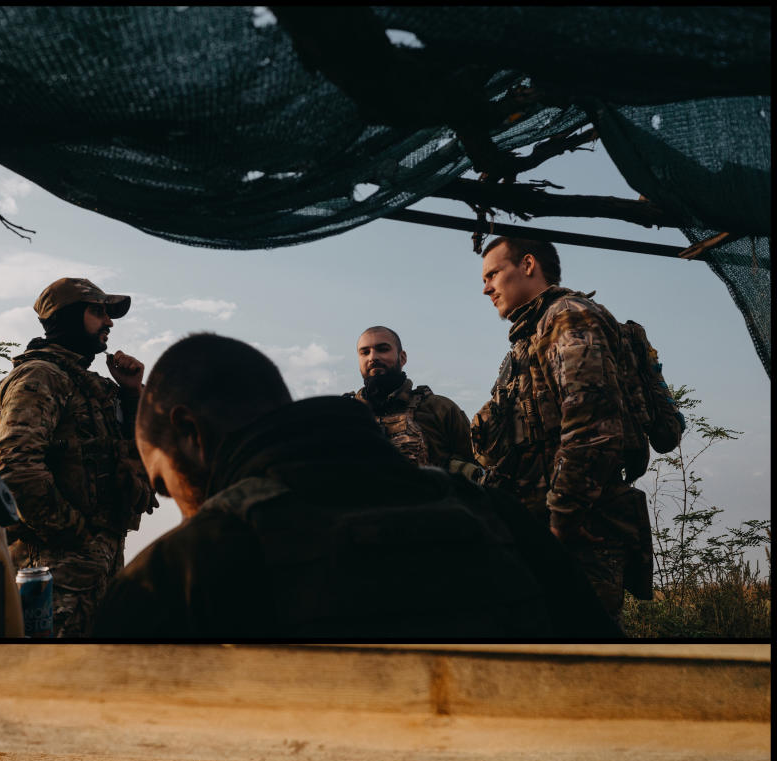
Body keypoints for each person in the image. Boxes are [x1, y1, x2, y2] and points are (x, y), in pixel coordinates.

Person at [93, 333, 621, 639]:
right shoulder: (498, 518)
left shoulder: (174, 575)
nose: (180, 508)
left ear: (189, 433)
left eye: (164, 483)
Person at [472, 237, 654, 620]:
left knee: (585, 656)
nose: (486, 287)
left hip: (580, 532)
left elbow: (593, 424)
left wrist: (564, 517)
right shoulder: (532, 333)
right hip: (548, 529)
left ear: (527, 265)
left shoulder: (568, 316)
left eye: (493, 274)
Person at [0, 277, 157, 637]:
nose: (109, 322)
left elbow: (134, 455)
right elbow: (15, 470)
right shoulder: (40, 376)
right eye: (97, 312)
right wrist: (78, 537)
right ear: (67, 317)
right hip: (54, 575)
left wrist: (131, 394)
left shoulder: (90, 385)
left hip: (95, 572)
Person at [348, 326, 477, 478]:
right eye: (365, 352)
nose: (372, 357)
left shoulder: (439, 409)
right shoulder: (344, 415)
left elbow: (478, 469)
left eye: (383, 349)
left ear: (402, 358)